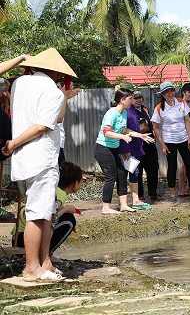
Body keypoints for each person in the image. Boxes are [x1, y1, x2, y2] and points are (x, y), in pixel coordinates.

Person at [3, 48, 78, 282]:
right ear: (57, 73)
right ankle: (31, 268)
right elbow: (44, 125)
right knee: (38, 213)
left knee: (44, 211)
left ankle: (44, 263)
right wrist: (13, 142)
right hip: (41, 158)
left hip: (23, 161)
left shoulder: (19, 84)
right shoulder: (52, 92)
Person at [96, 87, 154, 214]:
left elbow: (124, 129)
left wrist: (140, 135)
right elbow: (107, 132)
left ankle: (123, 205)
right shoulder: (112, 113)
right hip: (103, 148)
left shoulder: (124, 112)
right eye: (130, 98)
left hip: (114, 147)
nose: (132, 100)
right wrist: (123, 137)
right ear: (122, 100)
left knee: (122, 175)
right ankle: (106, 208)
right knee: (111, 176)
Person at [15, 162, 84, 259]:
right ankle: (45, 255)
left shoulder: (54, 190)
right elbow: (49, 216)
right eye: (82, 181)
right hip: (26, 240)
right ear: (76, 182)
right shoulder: (60, 194)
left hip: (18, 239)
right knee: (69, 220)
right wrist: (65, 209)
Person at [151, 81, 190, 198]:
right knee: (172, 166)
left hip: (184, 138)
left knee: (189, 164)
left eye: (171, 91)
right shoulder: (159, 108)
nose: (170, 94)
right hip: (169, 140)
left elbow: (187, 120)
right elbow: (155, 128)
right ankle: (172, 191)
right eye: (166, 92)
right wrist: (162, 145)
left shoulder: (181, 102)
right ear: (162, 94)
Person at [118, 83, 149, 209]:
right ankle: (123, 202)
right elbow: (121, 130)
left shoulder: (132, 108)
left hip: (136, 147)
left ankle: (135, 200)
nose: (134, 98)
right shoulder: (122, 110)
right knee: (123, 175)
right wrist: (125, 149)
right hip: (127, 147)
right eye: (131, 96)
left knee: (135, 173)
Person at [131, 91, 160, 200]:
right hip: (137, 144)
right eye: (135, 98)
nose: (138, 100)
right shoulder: (129, 111)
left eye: (140, 98)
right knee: (137, 170)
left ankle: (153, 192)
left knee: (153, 168)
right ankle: (139, 195)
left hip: (149, 143)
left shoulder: (144, 109)